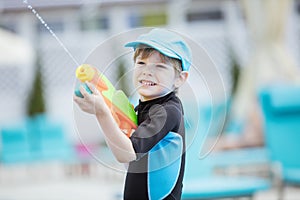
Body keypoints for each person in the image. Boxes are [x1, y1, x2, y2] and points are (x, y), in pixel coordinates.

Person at [73, 28, 192, 200]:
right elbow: (127, 155)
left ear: (180, 78)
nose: (147, 71)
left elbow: (127, 153)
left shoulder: (167, 111)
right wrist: (102, 111)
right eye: (141, 63)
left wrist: (102, 113)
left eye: (159, 66)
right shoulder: (145, 107)